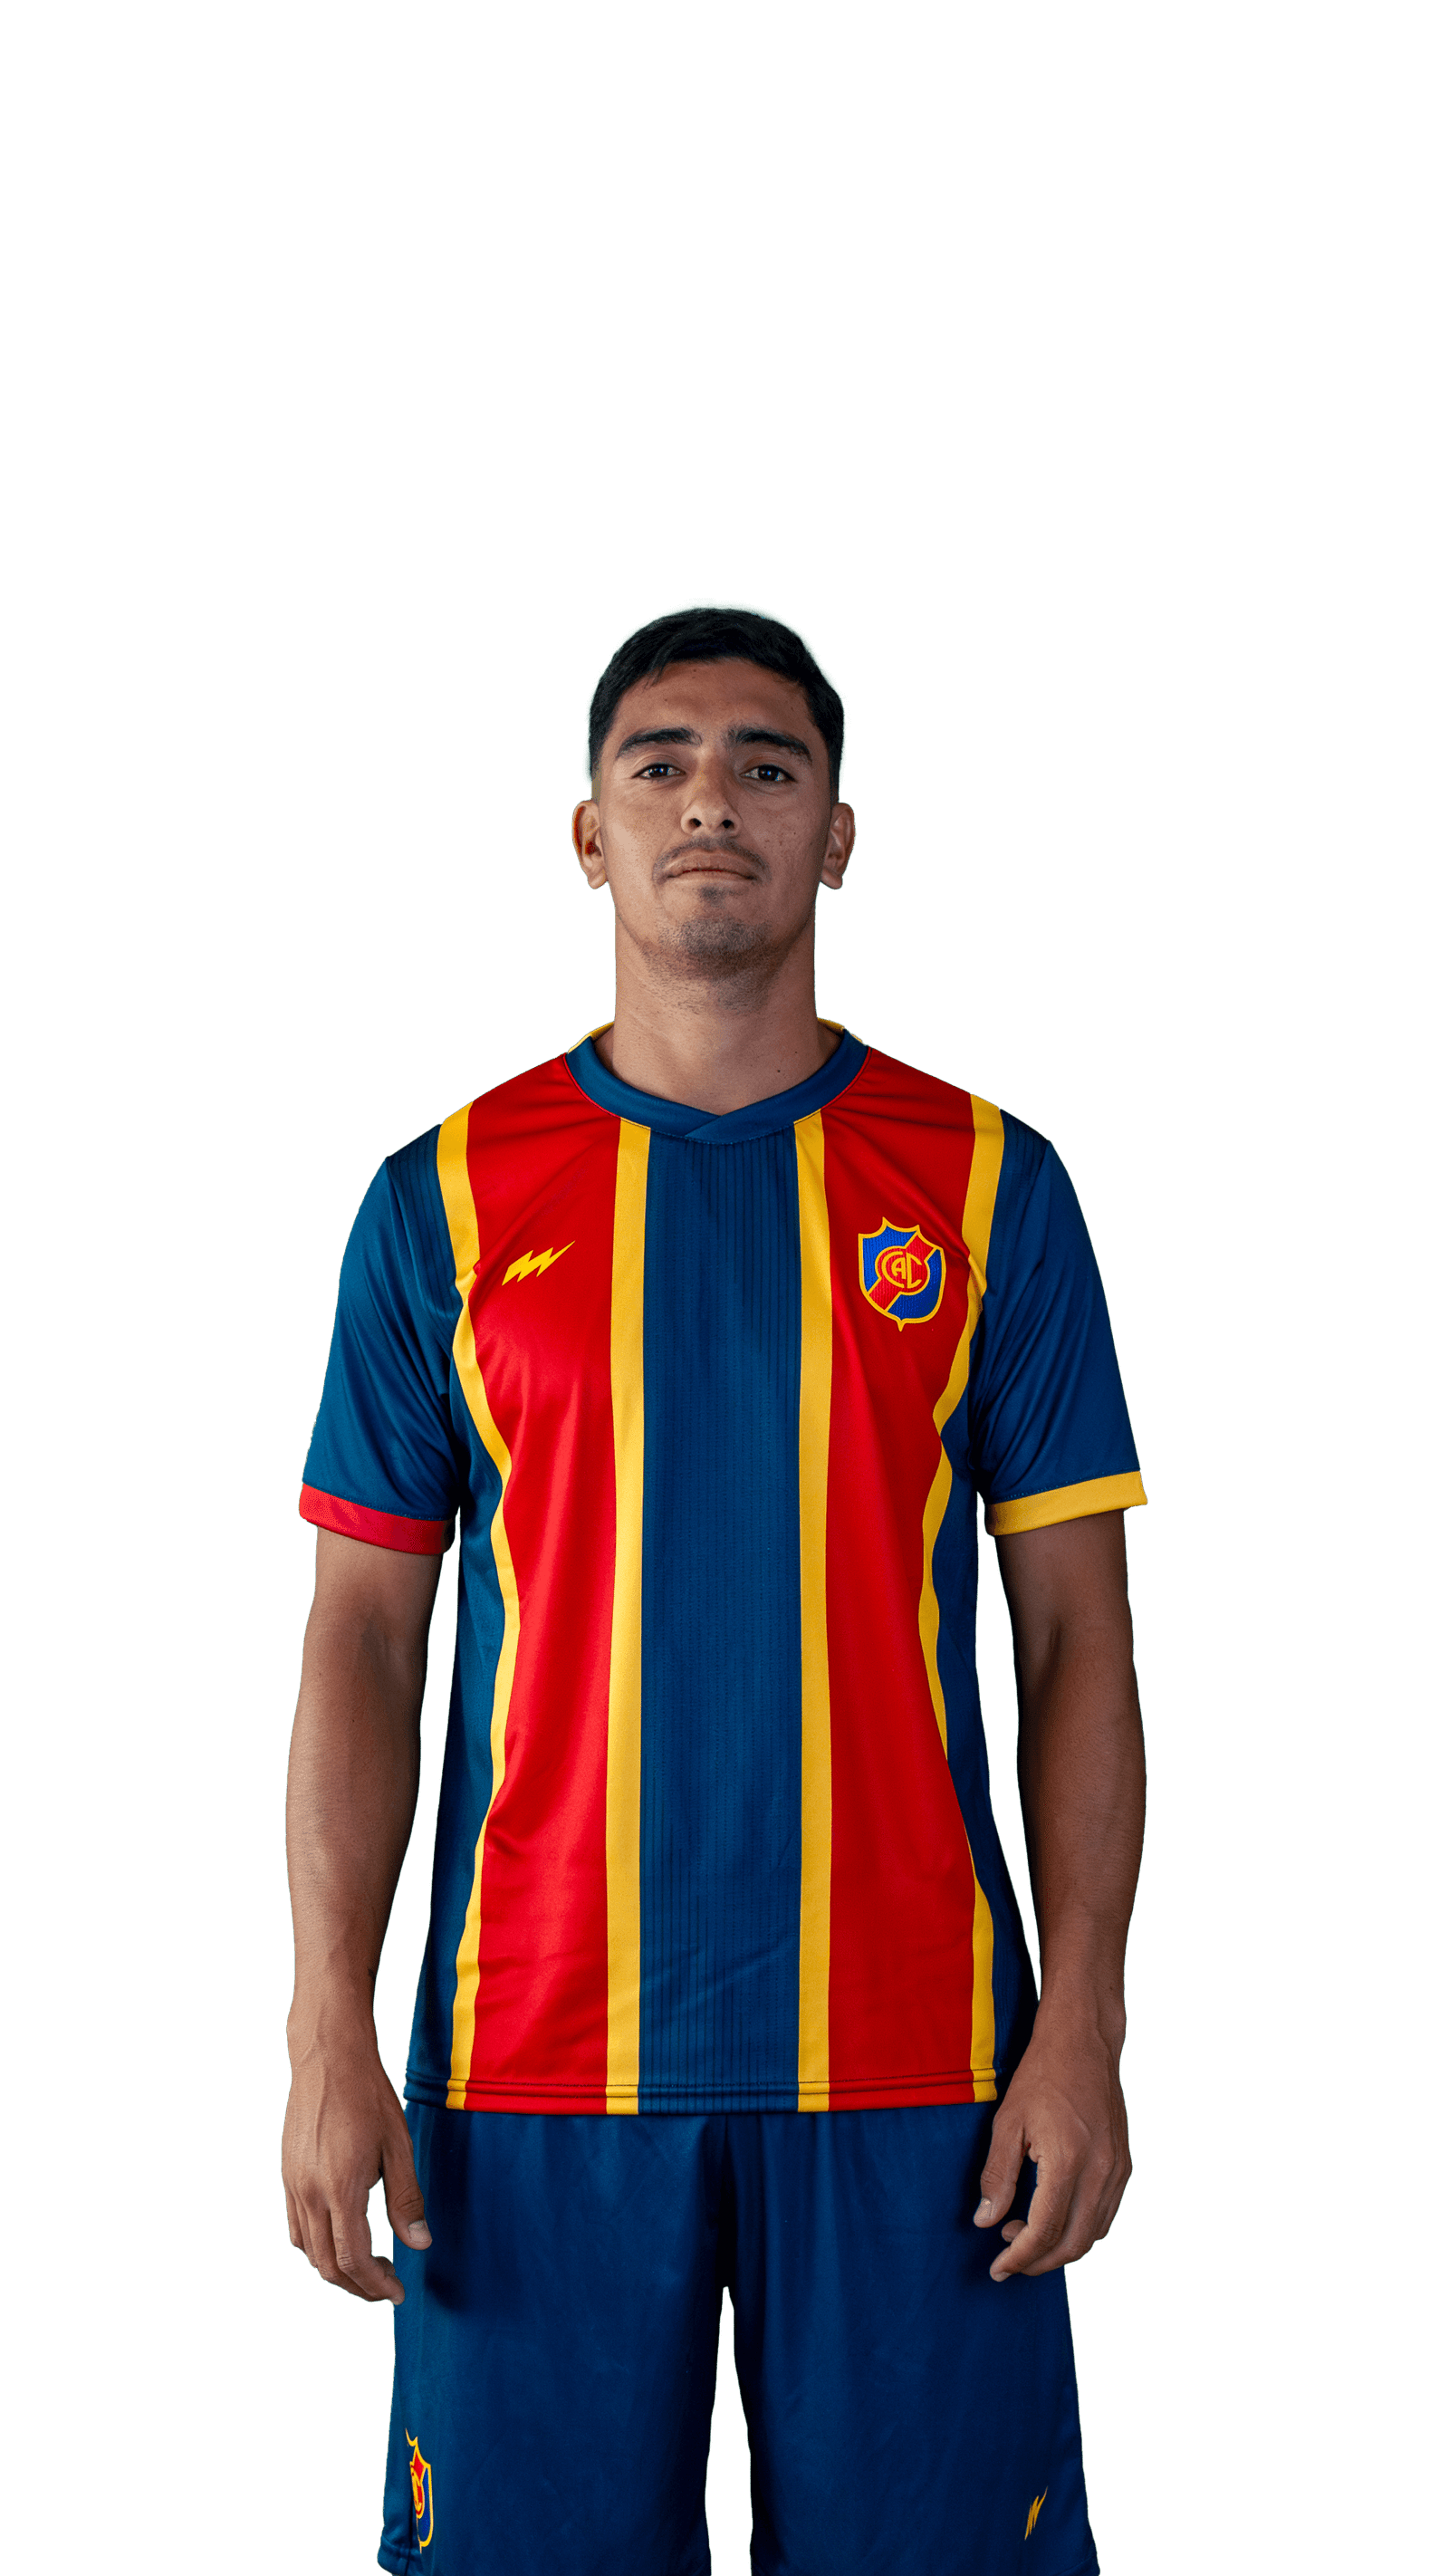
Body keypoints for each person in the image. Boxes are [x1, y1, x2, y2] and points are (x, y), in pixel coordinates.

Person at [283, 605, 1147, 2576]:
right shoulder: (439, 1198)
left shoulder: (990, 1184)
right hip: (531, 2070)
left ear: (836, 834)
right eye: (658, 762)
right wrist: (326, 2023)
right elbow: (363, 1638)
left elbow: (1075, 1636)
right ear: (588, 834)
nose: (710, 801)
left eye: (768, 764)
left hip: (927, 2079)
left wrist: (1086, 2019)